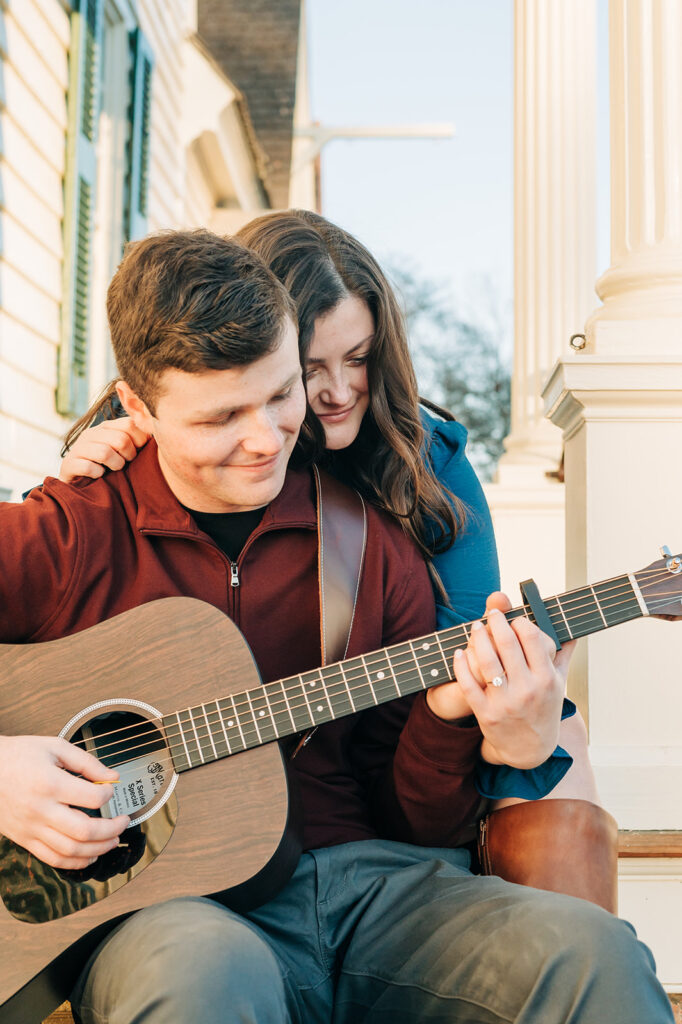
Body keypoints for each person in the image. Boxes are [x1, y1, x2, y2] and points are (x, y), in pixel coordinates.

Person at [0, 229, 668, 1022]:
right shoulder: (68, 533)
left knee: (592, 952)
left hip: (370, 886)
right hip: (174, 914)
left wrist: (448, 722)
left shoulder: (365, 536)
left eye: (282, 394)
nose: (263, 441)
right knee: (198, 973)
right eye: (221, 418)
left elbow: (417, 817)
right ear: (138, 407)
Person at [60, 210, 595, 808]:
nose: (339, 391)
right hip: (200, 762)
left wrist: (508, 710)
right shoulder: (150, 438)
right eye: (310, 370)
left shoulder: (429, 464)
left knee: (562, 761)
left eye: (359, 357)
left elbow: (466, 638)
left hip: (402, 736)